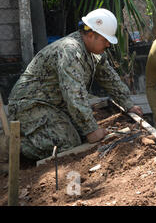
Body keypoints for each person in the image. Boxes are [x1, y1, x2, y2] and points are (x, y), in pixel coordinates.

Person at [7, 9, 143, 160]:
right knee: (68, 143)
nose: (108, 45)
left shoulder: (93, 53)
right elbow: (74, 94)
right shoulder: (70, 50)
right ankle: (11, 146)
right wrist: (92, 130)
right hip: (30, 105)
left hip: (54, 105)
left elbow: (109, 78)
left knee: (79, 134)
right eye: (105, 40)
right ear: (91, 35)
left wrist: (128, 104)